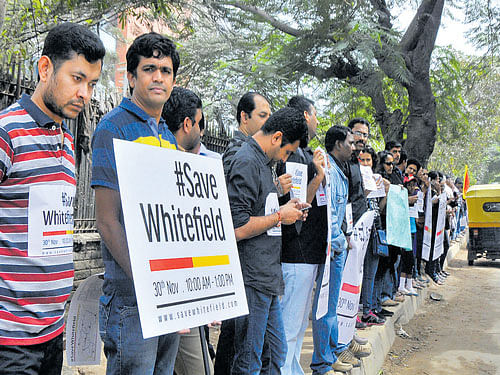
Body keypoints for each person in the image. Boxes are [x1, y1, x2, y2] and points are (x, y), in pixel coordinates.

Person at [0, 23, 104, 374]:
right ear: (45, 69)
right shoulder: (7, 133)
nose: (85, 93)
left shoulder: (67, 140)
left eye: (91, 84)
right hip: (10, 340)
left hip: (53, 332)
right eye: (76, 79)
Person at [91, 32, 181, 374]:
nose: (158, 77)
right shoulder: (112, 128)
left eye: (166, 70)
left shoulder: (168, 137)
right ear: (131, 77)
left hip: (170, 293)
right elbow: (107, 220)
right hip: (132, 297)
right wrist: (144, 279)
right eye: (149, 69)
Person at [226, 107, 309, 375]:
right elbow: (237, 227)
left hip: (267, 277)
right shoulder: (247, 161)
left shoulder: (262, 163)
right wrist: (279, 217)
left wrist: (286, 205)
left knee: (275, 353)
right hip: (252, 277)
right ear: (277, 137)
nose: (284, 157)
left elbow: (259, 207)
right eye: (286, 151)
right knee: (249, 359)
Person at [162, 86, 215, 375]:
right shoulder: (173, 164)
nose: (202, 131)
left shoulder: (154, 154)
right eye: (199, 123)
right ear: (187, 124)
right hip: (179, 290)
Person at [279, 96, 326, 375]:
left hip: (308, 253)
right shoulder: (293, 156)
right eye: (315, 115)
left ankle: (292, 369)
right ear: (306, 116)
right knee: (289, 325)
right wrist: (317, 177)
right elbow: (298, 205)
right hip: (297, 253)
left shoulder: (304, 154)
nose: (318, 121)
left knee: (297, 326)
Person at [310, 126, 355, 375]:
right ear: (338, 144)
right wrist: (340, 242)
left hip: (337, 247)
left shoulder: (339, 170)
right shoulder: (328, 169)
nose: (354, 146)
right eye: (350, 142)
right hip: (333, 250)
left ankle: (332, 353)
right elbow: (331, 216)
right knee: (326, 308)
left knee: (332, 306)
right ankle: (322, 362)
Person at [359, 146, 389, 326]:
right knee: (361, 274)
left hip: (375, 232)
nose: (364, 163)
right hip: (360, 234)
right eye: (361, 160)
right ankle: (362, 310)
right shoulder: (355, 180)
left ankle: (368, 309)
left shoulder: (375, 180)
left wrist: (385, 193)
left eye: (368, 160)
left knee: (371, 273)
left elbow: (379, 208)